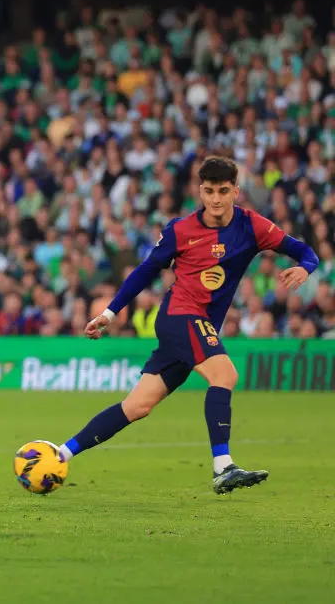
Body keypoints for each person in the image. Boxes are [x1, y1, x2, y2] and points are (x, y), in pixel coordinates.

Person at [53, 156, 319, 493]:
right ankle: (223, 467)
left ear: (236, 191)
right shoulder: (181, 230)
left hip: (199, 324)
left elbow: (305, 251)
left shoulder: (253, 226)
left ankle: (60, 453)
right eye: (209, 191)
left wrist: (305, 268)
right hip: (179, 315)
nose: (216, 199)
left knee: (137, 406)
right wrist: (109, 313)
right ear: (200, 191)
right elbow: (145, 271)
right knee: (225, 375)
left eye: (223, 191)